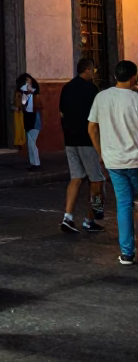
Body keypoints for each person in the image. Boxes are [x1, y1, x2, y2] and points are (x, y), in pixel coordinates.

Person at [88, 60, 138, 266]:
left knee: (124, 205)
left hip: (113, 161)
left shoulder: (101, 97)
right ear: (134, 76)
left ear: (116, 76)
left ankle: (127, 253)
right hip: (135, 160)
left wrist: (101, 153)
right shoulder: (136, 99)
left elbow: (91, 128)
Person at [59, 57, 105, 234]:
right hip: (87, 141)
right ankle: (91, 218)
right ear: (87, 70)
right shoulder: (92, 89)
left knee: (76, 178)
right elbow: (96, 119)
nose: (93, 73)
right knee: (96, 181)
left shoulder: (66, 88)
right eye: (92, 70)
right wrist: (100, 147)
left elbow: (61, 114)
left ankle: (68, 218)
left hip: (70, 140)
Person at [14, 73, 43, 168]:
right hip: (31, 120)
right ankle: (34, 163)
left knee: (31, 143)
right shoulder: (29, 95)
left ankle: (35, 163)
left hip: (33, 120)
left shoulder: (31, 95)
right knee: (31, 143)